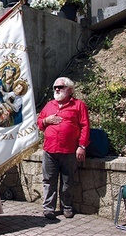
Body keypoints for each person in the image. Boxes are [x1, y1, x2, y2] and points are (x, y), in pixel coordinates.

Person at [37, 77, 90, 220]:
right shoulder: (49, 105)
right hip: (50, 150)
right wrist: (46, 121)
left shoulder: (79, 105)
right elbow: (39, 122)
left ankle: (66, 207)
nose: (57, 89)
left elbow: (85, 126)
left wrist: (82, 146)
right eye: (55, 87)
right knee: (49, 181)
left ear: (70, 90)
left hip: (69, 150)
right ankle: (48, 209)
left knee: (68, 181)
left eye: (60, 87)